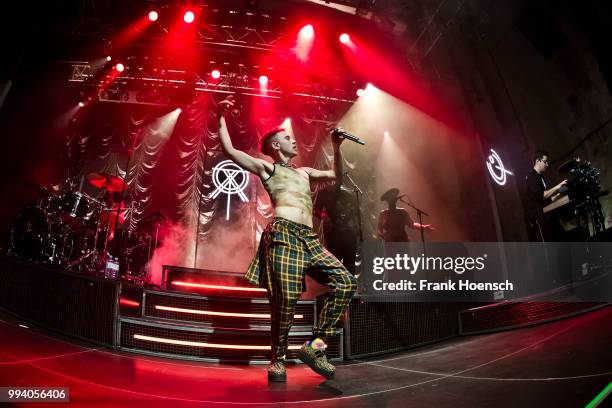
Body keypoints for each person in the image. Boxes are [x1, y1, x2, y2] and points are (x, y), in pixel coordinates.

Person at [217, 96, 357, 382]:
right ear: (275, 146)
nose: (294, 142)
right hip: (283, 234)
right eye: (288, 139)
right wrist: (220, 116)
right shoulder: (268, 169)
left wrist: (336, 146)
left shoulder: (304, 172)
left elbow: (336, 177)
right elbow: (230, 150)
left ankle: (315, 348)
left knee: (346, 282)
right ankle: (277, 359)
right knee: (286, 299)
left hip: (309, 239)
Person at [314, 172, 361, 275]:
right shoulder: (324, 193)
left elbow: (356, 212)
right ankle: (336, 288)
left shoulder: (348, 193)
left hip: (349, 234)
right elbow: (315, 209)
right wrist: (324, 216)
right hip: (333, 233)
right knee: (335, 262)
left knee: (349, 264)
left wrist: (355, 228)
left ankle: (350, 288)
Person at [524, 150, 567, 241]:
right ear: (537, 161)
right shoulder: (532, 177)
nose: (547, 164)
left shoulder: (541, 177)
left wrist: (560, 192)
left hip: (549, 215)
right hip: (541, 220)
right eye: (545, 161)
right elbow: (542, 196)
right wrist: (558, 186)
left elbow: (545, 199)